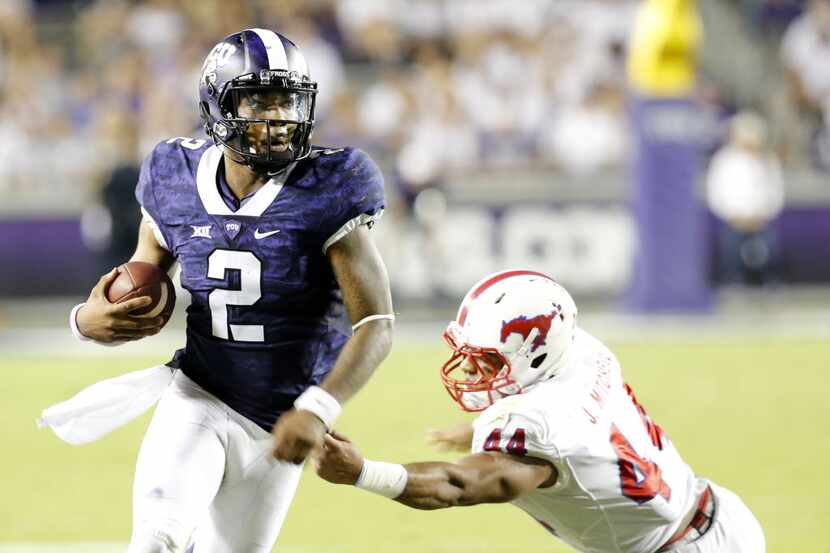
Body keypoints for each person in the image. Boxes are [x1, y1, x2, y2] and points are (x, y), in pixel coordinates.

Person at [69, 28, 394, 553]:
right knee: (156, 542)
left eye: (288, 99)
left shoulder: (333, 183)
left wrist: (318, 408)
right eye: (259, 100)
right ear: (218, 105)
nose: (278, 116)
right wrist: (86, 320)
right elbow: (137, 282)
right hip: (197, 395)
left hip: (277, 423)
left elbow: (376, 324)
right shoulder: (173, 173)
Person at [315, 270, 765, 553]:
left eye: (485, 359)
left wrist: (362, 472)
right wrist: (480, 431)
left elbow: (459, 486)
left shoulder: (535, 425)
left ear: (532, 355)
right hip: (720, 513)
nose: (470, 368)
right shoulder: (579, 350)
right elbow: (572, 423)